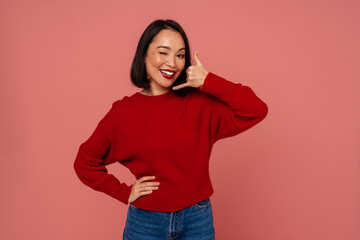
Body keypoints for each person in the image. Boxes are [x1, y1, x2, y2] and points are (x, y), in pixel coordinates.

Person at [73, 19, 268, 240]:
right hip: (145, 222)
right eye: (163, 52)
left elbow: (256, 109)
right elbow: (84, 162)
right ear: (144, 55)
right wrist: (124, 192)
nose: (172, 63)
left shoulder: (199, 103)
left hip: (198, 219)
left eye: (180, 55)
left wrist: (208, 80)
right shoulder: (123, 113)